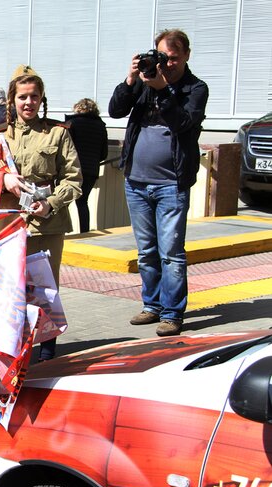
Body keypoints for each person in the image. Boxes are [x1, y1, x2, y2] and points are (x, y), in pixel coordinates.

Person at [109, 29, 208, 337]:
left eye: (174, 58)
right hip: (136, 182)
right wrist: (130, 80)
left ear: (187, 56)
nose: (168, 65)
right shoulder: (144, 82)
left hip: (171, 184)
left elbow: (184, 124)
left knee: (172, 253)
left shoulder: (196, 89)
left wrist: (163, 89)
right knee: (147, 252)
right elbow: (115, 110)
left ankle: (172, 313)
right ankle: (151, 306)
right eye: (164, 57)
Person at [0, 64, 82, 361]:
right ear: (12, 100)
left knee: (46, 286)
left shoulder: (57, 134)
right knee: (12, 285)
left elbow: (74, 178)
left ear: (42, 99)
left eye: (34, 97)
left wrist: (51, 203)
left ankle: (48, 348)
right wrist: (2, 179)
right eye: (23, 97)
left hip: (46, 222)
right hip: (9, 222)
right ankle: (16, 344)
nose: (29, 103)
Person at [65, 98, 109, 233]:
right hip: (91, 171)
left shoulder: (73, 124)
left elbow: (66, 148)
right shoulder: (101, 126)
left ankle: (62, 232)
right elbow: (104, 154)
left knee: (64, 201)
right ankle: (85, 233)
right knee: (83, 202)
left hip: (73, 169)